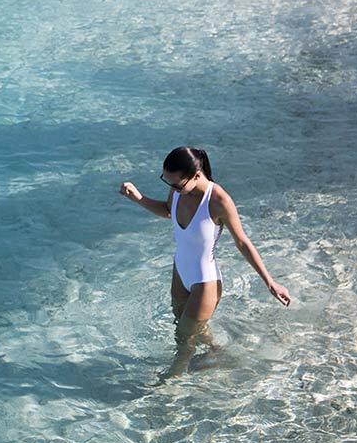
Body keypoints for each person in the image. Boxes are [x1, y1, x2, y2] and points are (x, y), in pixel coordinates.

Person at [120, 146, 291, 377]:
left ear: (197, 176)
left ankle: (170, 382)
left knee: (184, 338)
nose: (172, 189)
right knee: (181, 325)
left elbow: (242, 242)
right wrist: (138, 199)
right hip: (180, 272)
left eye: (176, 184)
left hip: (205, 281)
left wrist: (271, 283)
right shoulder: (178, 190)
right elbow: (168, 210)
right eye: (167, 182)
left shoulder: (219, 200)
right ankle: (216, 352)